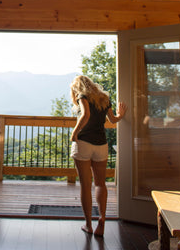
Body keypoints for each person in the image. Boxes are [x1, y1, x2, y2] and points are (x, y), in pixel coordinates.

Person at [70, 75, 127, 237]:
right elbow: (113, 120)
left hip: (84, 143)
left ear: (77, 88)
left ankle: (88, 224)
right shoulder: (103, 98)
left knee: (86, 185)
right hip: (101, 144)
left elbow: (85, 115)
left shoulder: (83, 96)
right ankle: (102, 218)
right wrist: (121, 114)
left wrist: (74, 133)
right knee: (101, 184)